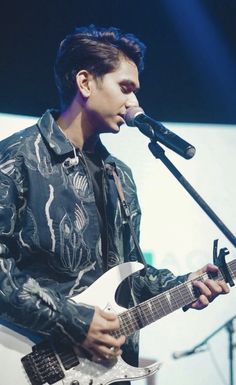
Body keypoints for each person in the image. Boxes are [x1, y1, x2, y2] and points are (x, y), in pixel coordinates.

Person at [0, 25, 229, 378]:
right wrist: (75, 321)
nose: (134, 103)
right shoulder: (17, 158)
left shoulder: (118, 176)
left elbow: (129, 275)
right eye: (125, 88)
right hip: (30, 364)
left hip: (102, 371)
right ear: (86, 83)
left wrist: (185, 284)